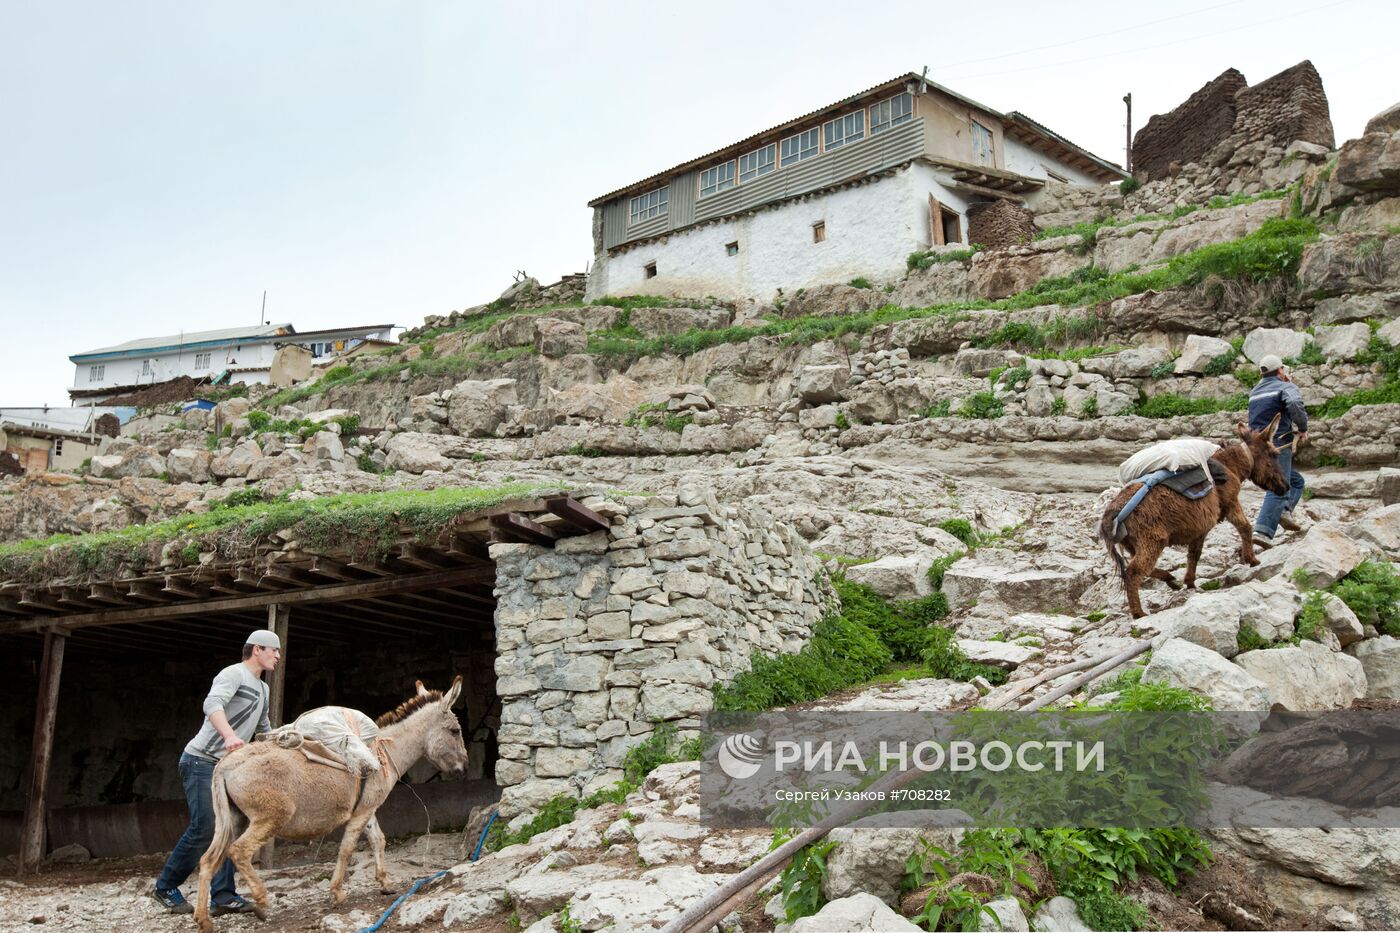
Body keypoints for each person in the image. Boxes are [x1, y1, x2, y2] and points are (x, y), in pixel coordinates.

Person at [152, 630, 282, 915]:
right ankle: (165, 887)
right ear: (257, 649)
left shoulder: (263, 689)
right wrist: (228, 736)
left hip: (229, 770)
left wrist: (285, 745)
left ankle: (223, 897)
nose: (278, 656)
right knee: (205, 827)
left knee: (229, 829)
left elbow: (264, 730)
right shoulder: (233, 674)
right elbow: (212, 704)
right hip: (201, 761)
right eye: (274, 650)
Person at [1249, 354, 1308, 549]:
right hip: (1278, 444)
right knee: (1279, 486)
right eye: (1284, 370)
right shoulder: (1285, 386)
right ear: (1280, 370)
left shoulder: (1255, 391)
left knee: (1297, 482)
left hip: (1257, 447)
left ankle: (1284, 510)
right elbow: (1295, 404)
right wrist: (1302, 427)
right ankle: (1262, 532)